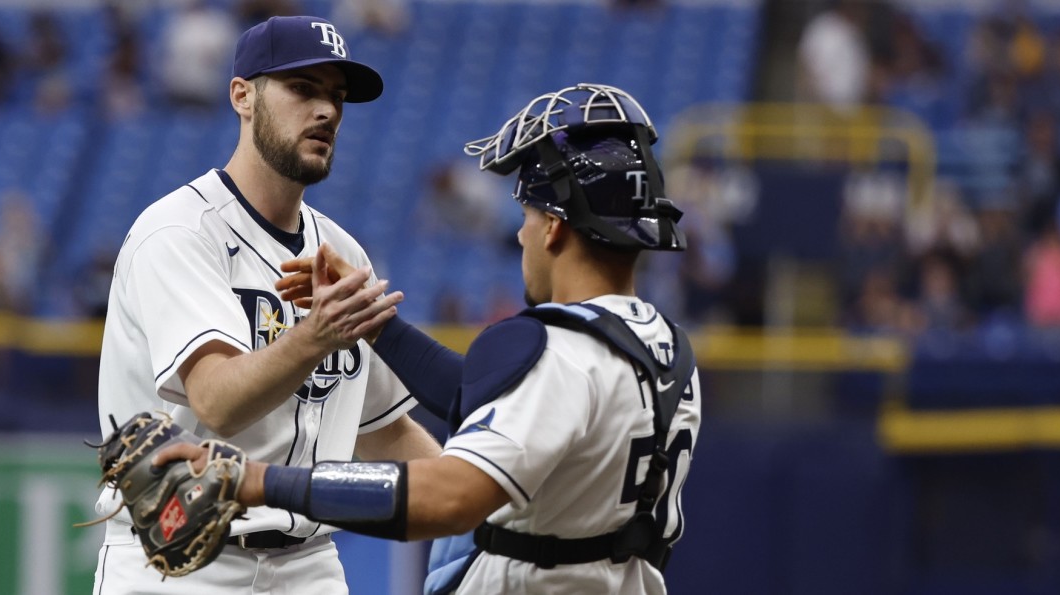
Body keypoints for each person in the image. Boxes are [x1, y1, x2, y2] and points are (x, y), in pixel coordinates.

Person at [158, 84, 703, 594]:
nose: (521, 233)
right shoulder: (664, 347)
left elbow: (449, 498)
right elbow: (508, 401)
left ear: (555, 226)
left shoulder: (557, 353)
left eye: (527, 214)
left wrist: (254, 482)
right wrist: (376, 322)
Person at [91, 16, 442, 594]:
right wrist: (316, 335)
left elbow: (383, 431)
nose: (327, 111)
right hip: (181, 563)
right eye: (303, 90)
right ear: (242, 96)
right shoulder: (178, 231)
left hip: (310, 563)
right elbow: (218, 400)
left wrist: (488, 498)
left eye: (337, 96)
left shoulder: (342, 251)